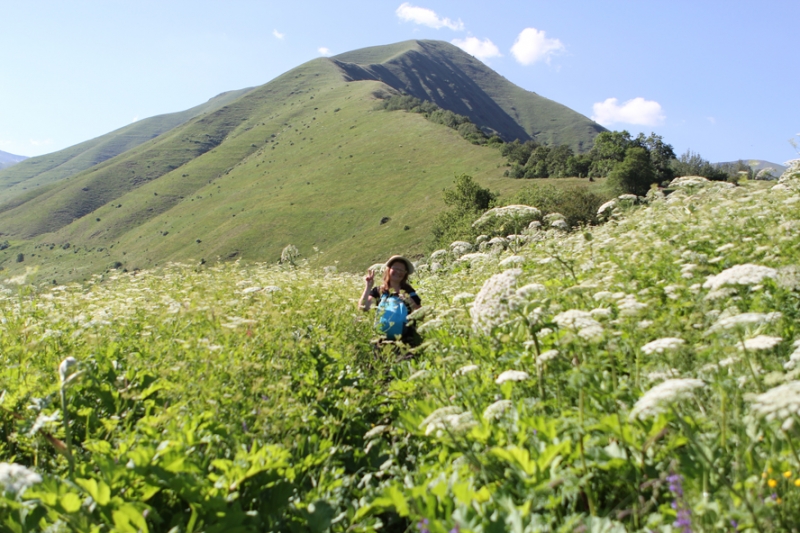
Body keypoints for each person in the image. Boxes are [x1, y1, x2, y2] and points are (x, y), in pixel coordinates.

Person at [359, 255, 421, 345]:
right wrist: (368, 287)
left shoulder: (409, 291)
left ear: (405, 274)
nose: (398, 272)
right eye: (395, 269)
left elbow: (421, 313)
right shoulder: (379, 291)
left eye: (402, 270)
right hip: (381, 341)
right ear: (388, 270)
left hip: (406, 342)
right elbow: (363, 307)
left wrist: (409, 300)